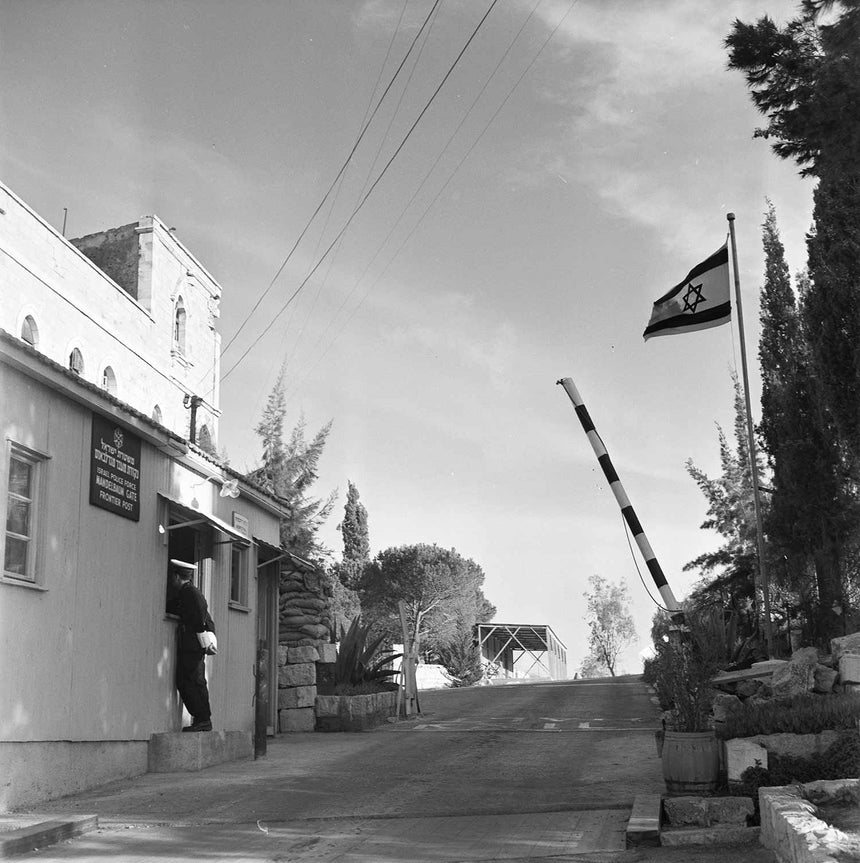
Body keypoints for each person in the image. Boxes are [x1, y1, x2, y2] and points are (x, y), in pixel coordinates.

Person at [167, 559, 215, 732]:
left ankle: (202, 719)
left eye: (173, 576)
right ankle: (203, 719)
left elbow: (201, 617)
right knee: (195, 681)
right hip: (193, 645)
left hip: (192, 646)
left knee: (188, 681)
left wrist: (201, 636)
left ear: (177, 576)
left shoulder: (191, 594)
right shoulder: (189, 593)